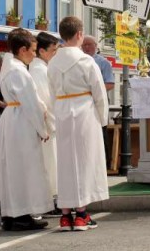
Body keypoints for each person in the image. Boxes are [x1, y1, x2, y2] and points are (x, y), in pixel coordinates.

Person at [47, 17, 109, 231]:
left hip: (63, 110)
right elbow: (99, 92)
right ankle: (81, 214)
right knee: (84, 160)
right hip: (84, 110)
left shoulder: (53, 62)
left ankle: (65, 215)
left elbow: (51, 91)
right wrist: (103, 118)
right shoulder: (86, 61)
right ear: (80, 34)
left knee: (65, 162)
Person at [0, 29, 53, 232]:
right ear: (22, 49)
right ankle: (21, 215)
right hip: (22, 121)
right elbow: (31, 103)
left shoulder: (10, 66)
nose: (34, 54)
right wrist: (43, 129)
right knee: (24, 168)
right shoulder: (18, 71)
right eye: (33, 50)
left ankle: (10, 214)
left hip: (13, 118)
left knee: (13, 169)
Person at [29, 32, 60, 215]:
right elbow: (46, 101)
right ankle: (48, 202)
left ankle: (50, 200)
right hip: (47, 125)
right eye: (53, 50)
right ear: (42, 51)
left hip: (49, 124)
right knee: (48, 164)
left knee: (51, 163)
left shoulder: (43, 68)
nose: (55, 53)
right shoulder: (39, 70)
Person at [81, 35, 114, 168]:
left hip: (98, 101)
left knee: (102, 130)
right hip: (84, 102)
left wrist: (94, 91)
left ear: (96, 46)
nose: (87, 47)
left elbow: (110, 84)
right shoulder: (79, 61)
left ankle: (104, 163)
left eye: (89, 45)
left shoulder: (103, 63)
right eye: (84, 45)